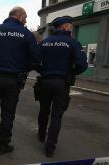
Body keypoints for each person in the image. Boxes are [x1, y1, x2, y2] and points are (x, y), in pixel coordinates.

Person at [0, 7, 40, 155]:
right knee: (8, 112)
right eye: (25, 18)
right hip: (14, 79)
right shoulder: (26, 34)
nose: (26, 21)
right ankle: (4, 144)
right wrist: (23, 69)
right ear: (18, 16)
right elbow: (36, 59)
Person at [36, 16, 88, 157]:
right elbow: (82, 65)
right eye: (69, 25)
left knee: (44, 110)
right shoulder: (73, 43)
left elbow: (34, 61)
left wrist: (43, 71)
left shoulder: (44, 42)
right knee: (56, 116)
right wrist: (70, 73)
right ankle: (50, 148)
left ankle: (41, 135)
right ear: (63, 27)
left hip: (45, 81)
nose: (71, 27)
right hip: (62, 82)